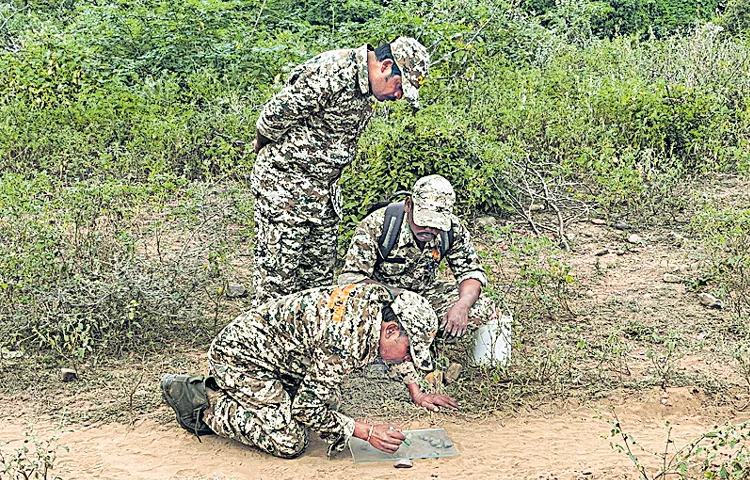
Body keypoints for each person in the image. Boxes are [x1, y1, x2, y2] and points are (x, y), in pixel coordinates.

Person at [160, 283, 458, 459]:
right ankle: (203, 400)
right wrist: (366, 432)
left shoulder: (380, 304)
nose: (407, 357)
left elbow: (397, 353)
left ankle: (266, 398)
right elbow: (307, 408)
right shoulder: (345, 340)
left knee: (331, 406)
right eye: (409, 349)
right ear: (391, 329)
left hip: (281, 356)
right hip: (241, 358)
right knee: (290, 440)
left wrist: (416, 390)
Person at [250, 37, 430, 305]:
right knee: (278, 281)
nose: (398, 95)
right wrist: (267, 151)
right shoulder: (334, 71)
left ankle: (308, 342)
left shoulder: (367, 90)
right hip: (285, 191)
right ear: (386, 66)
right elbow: (273, 118)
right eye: (399, 85)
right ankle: (265, 343)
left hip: (323, 196)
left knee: (318, 285)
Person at [338, 174, 499, 340]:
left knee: (481, 307)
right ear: (409, 205)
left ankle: (421, 339)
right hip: (383, 298)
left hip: (425, 295)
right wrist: (401, 296)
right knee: (352, 311)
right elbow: (351, 280)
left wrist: (463, 305)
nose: (429, 229)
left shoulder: (453, 229)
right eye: (423, 221)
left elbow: (470, 272)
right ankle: (389, 340)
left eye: (436, 225)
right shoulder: (377, 224)